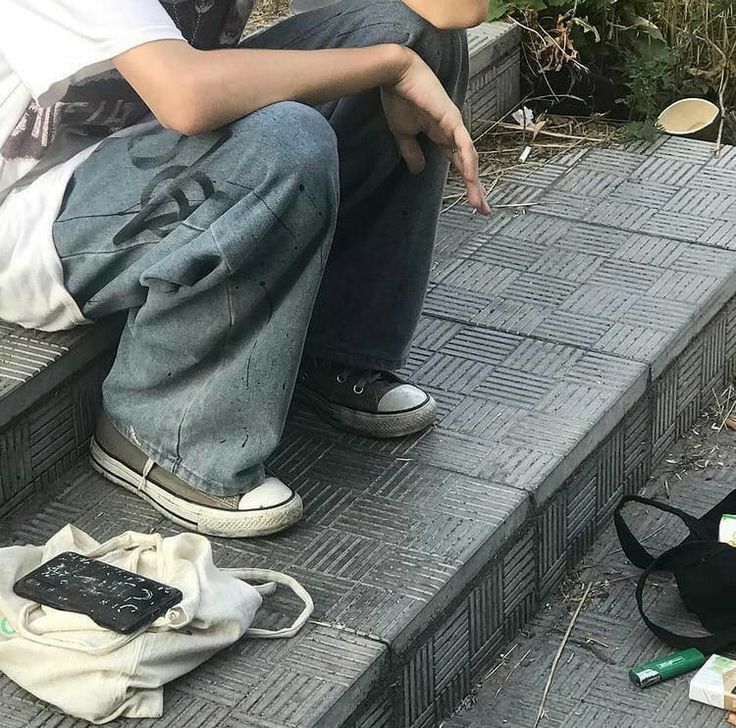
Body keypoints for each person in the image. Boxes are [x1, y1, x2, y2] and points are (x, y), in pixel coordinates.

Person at [0, 0, 491, 539]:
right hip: (28, 207)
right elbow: (190, 97)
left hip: (139, 132)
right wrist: (392, 66)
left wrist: (402, 53)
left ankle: (326, 345)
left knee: (415, 34)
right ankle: (162, 429)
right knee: (284, 139)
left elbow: (455, 9)